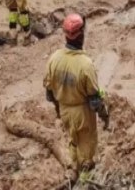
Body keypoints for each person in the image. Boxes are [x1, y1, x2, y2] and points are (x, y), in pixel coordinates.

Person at [44, 14, 109, 183]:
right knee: (87, 149)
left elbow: (49, 93)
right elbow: (94, 101)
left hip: (65, 109)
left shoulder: (54, 59)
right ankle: (85, 182)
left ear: (66, 35)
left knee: (73, 141)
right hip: (82, 113)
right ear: (81, 34)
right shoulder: (85, 65)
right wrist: (104, 115)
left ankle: (73, 172)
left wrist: (59, 110)